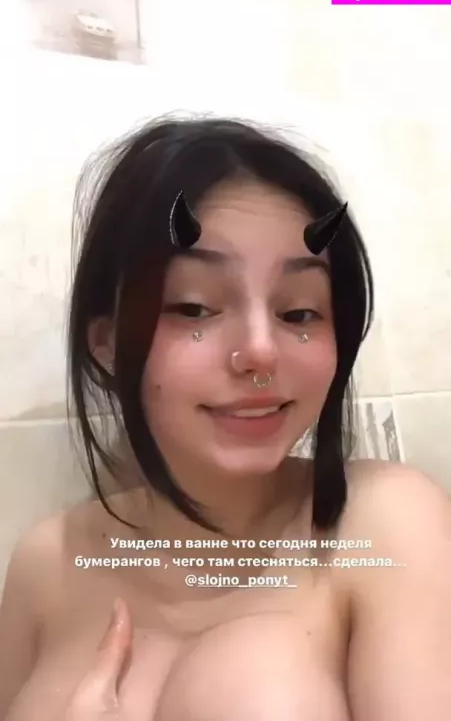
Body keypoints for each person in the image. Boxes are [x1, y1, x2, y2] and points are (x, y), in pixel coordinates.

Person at [1, 115, 450, 721]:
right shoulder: (44, 566)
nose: (261, 351)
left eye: (299, 313)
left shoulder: (387, 524)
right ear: (107, 343)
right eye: (194, 307)